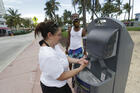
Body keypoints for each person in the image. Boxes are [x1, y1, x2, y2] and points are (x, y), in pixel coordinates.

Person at [35, 20, 88, 93]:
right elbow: (61, 76)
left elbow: (64, 57)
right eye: (59, 34)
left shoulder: (54, 45)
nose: (61, 37)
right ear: (50, 35)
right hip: (53, 88)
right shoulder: (48, 55)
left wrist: (78, 60)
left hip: (61, 84)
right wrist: (80, 68)